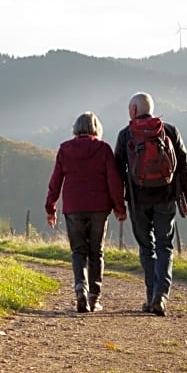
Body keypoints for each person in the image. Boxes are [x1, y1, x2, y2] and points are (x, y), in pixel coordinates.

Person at [114, 92, 187, 317]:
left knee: (146, 247)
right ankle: (161, 295)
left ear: (133, 110)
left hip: (138, 200)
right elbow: (183, 165)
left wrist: (118, 203)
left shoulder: (126, 134)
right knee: (164, 245)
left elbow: (117, 172)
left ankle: (151, 295)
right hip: (166, 198)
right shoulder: (168, 130)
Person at [45, 111, 127, 313]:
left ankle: (80, 287)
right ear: (96, 128)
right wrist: (119, 208)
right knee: (96, 252)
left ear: (76, 128)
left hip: (73, 208)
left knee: (78, 251)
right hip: (99, 207)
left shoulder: (65, 149)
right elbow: (114, 181)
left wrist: (51, 207)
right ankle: (94, 297)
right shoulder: (103, 149)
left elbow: (55, 181)